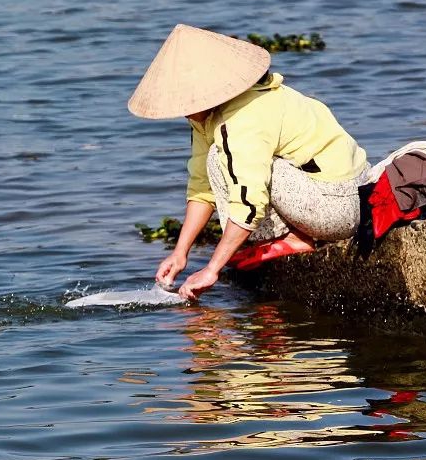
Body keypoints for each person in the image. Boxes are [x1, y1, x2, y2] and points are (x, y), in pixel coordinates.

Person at [128, 24, 369, 300]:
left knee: (227, 162)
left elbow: (249, 202)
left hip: (340, 207)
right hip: (321, 193)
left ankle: (296, 238)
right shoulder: (207, 115)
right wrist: (180, 253)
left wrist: (211, 268)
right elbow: (201, 187)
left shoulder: (242, 118)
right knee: (215, 162)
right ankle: (283, 236)